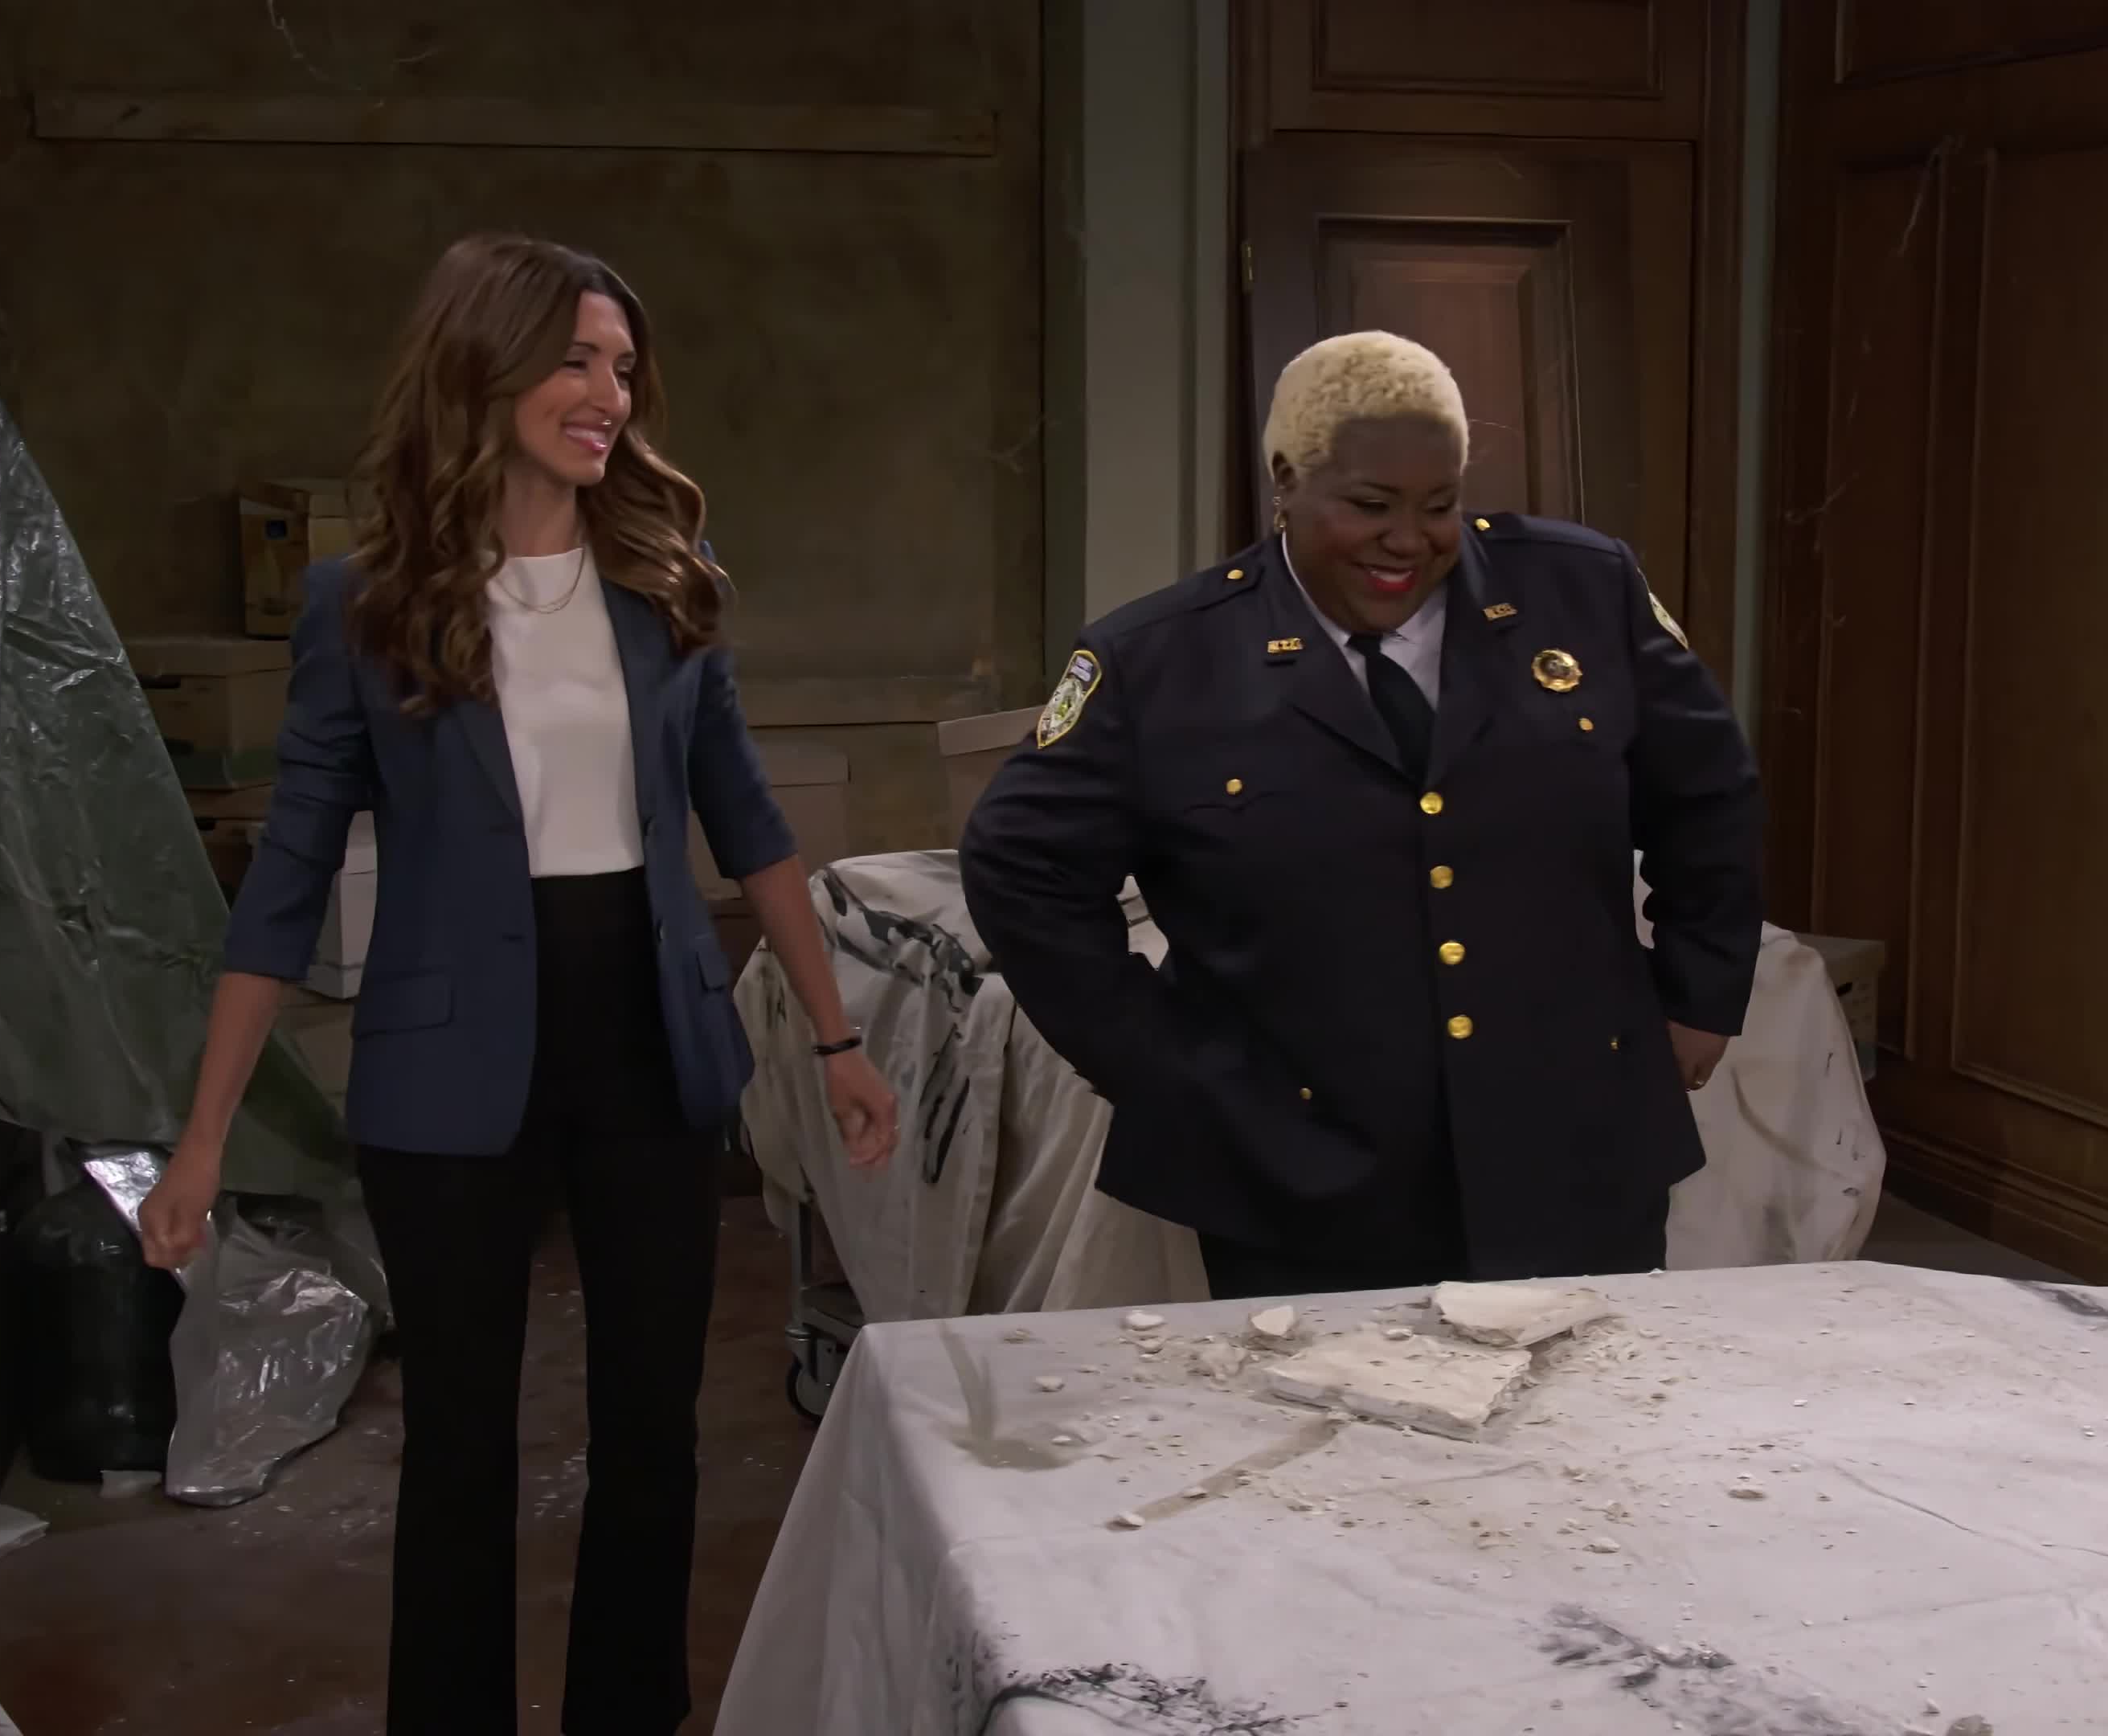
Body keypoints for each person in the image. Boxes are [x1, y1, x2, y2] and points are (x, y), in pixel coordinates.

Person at [135, 234, 897, 1736]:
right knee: (462, 1444)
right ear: (482, 366)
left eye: (623, 368)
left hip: (649, 1037)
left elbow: (750, 827)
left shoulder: (668, 585)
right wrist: (204, 1138)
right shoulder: (366, 602)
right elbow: (286, 879)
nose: (609, 394)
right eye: (576, 360)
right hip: (448, 1057)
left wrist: (837, 1038)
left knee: (653, 1430)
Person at [960, 330, 1763, 1302]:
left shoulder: (1583, 590)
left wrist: (1700, 992)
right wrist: (1160, 1068)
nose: (1409, 540)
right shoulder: (1161, 660)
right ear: (1286, 483)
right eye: (1371, 506)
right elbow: (1020, 868)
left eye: (1440, 505)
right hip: (1297, 1165)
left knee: (1586, 1390)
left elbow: (1707, 790)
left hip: (1575, 1136)